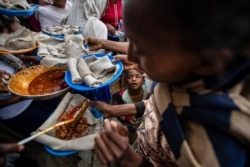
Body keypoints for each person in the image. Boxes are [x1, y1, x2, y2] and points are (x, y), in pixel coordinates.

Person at [93, 0, 250, 167]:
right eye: (131, 43)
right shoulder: (191, 74)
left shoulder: (214, 151)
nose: (131, 57)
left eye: (142, 50)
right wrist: (114, 109)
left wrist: (130, 159)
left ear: (206, 63)